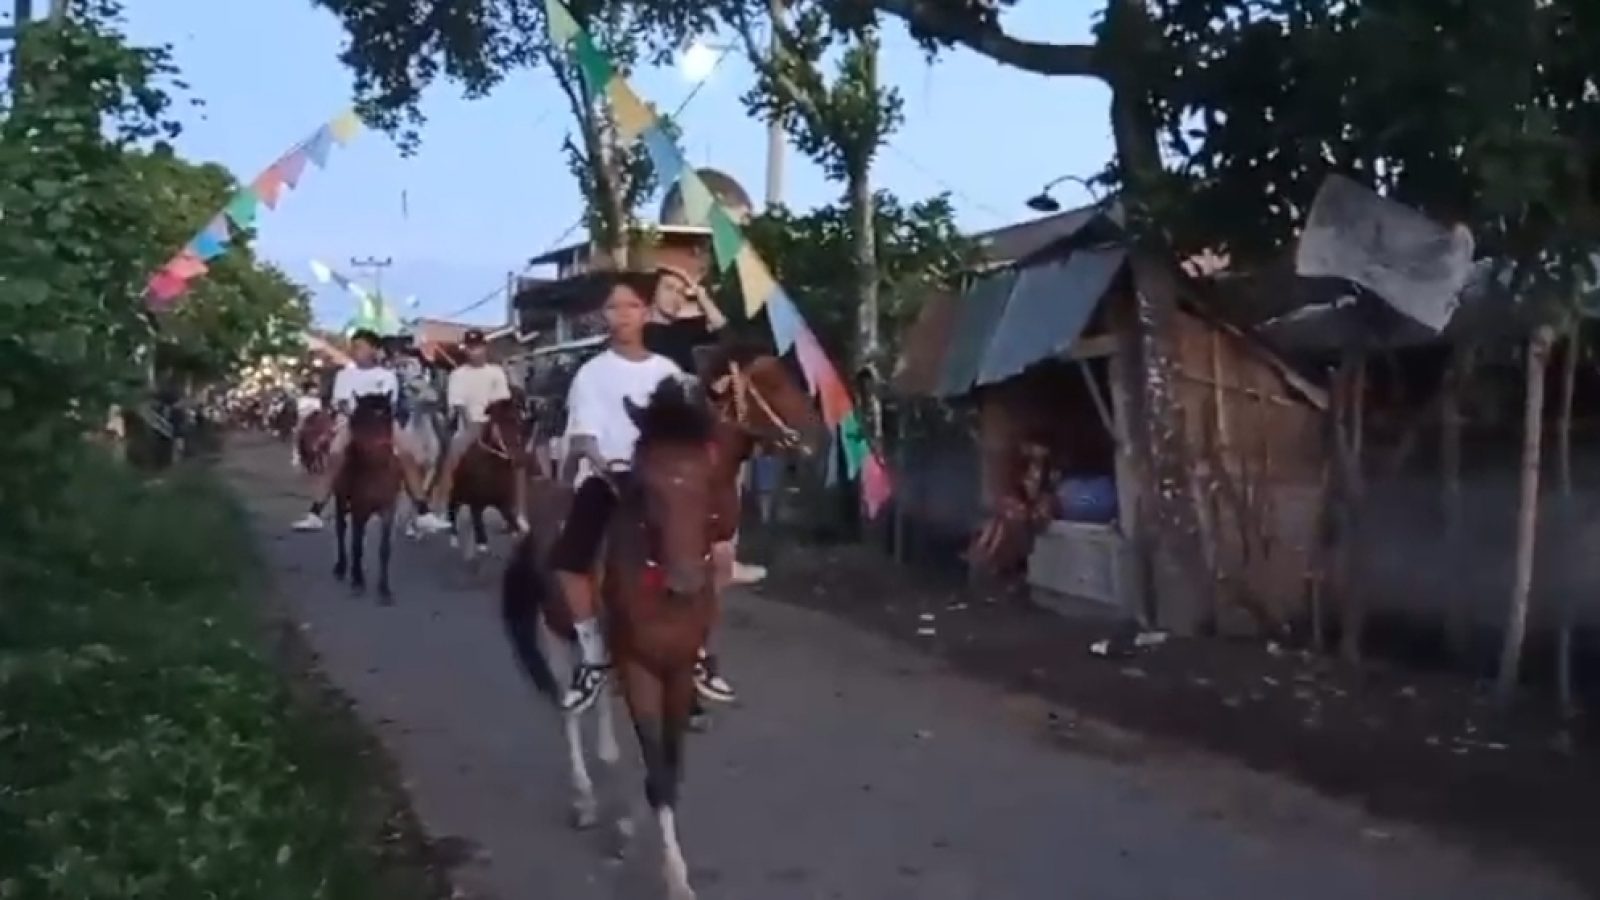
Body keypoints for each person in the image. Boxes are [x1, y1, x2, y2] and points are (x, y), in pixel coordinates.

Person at [551, 277, 736, 714]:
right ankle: (594, 654)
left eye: (631, 306)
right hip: (612, 479)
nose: (623, 316)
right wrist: (606, 468)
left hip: (665, 483)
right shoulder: (590, 375)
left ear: (646, 312)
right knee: (569, 561)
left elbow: (695, 425)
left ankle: (701, 653)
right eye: (614, 308)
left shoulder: (668, 373)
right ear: (604, 317)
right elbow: (585, 438)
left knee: (718, 553)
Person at [290, 329, 452, 535]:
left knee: (407, 454)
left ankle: (422, 512)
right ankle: (315, 513)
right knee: (335, 454)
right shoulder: (344, 375)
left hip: (383, 422)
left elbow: (389, 403)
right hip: (351, 421)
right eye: (354, 347)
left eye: (361, 347)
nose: (356, 351)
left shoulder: (387, 376)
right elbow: (340, 402)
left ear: (374, 350)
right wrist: (353, 413)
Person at [429, 328, 530, 531]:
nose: (475, 352)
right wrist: (471, 426)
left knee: (518, 458)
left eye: (478, 347)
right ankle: (440, 509)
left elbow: (502, 401)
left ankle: (520, 511)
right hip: (470, 422)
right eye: (471, 348)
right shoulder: (458, 375)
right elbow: (458, 405)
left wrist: (497, 423)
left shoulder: (496, 372)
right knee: (453, 455)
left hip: (496, 420)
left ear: (485, 348)